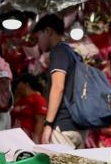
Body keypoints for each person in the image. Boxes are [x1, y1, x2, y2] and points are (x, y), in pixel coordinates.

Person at [32, 14, 87, 149]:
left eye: (38, 36)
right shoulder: (75, 55)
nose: (37, 42)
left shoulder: (58, 51)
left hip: (63, 126)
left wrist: (48, 124)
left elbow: (58, 87)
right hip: (79, 127)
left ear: (48, 32)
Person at [11, 73, 47, 143]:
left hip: (28, 139)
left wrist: (35, 141)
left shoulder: (38, 99)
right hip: (15, 138)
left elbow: (40, 121)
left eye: (19, 83)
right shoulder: (20, 99)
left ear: (26, 84)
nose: (17, 86)